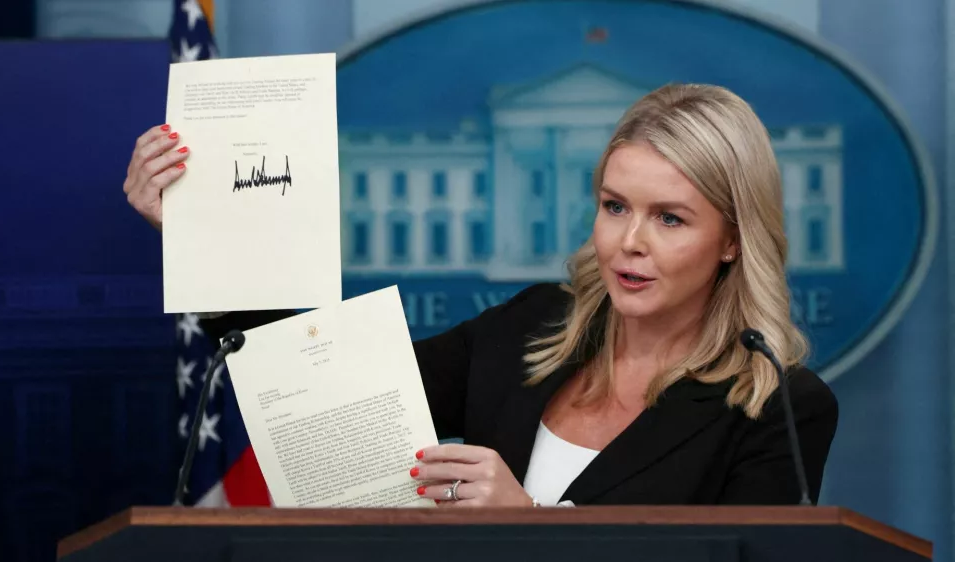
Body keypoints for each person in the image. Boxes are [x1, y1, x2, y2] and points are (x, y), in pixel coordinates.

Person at [124, 83, 838, 508]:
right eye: (615, 206)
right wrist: (203, 236)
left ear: (733, 238)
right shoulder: (530, 327)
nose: (629, 242)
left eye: (670, 218)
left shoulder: (781, 406)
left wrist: (528, 522)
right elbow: (327, 396)